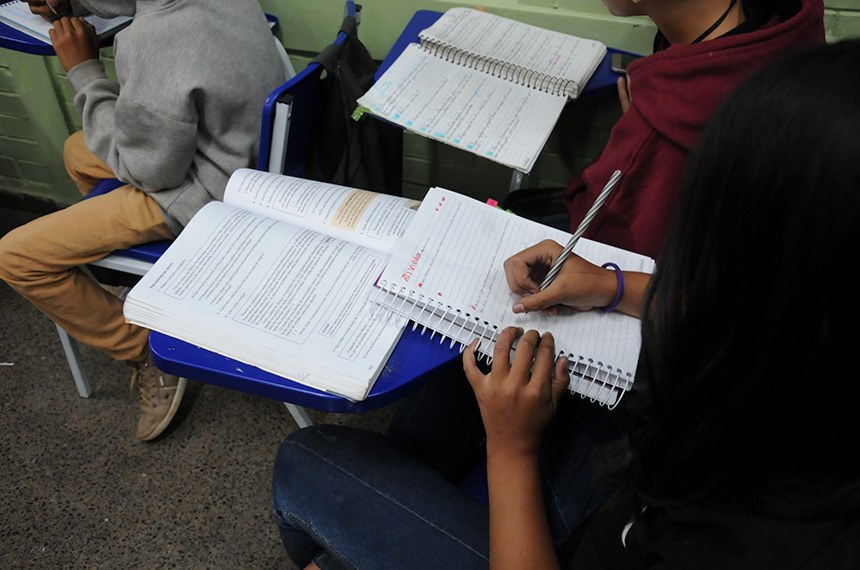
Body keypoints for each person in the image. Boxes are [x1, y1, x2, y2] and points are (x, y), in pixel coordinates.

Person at [270, 39, 860, 568]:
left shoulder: (772, 539)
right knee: (473, 372)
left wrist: (511, 448)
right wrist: (613, 286)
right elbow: (735, 312)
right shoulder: (802, 361)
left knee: (308, 460)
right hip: (635, 485)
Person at [0, 0, 286, 441]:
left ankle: (147, 348)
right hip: (241, 155)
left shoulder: (157, 38)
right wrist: (70, 4)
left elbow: (149, 170)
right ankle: (128, 273)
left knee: (14, 257)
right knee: (79, 151)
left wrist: (85, 70)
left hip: (204, 191)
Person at [504, 0, 824, 260]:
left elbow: (602, 243)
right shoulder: (787, 23)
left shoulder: (656, 135)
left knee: (515, 211)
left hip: (661, 261)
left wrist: (643, 139)